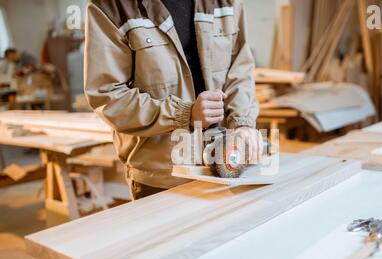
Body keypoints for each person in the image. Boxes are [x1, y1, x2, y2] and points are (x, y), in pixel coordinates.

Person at [85, 0, 262, 200]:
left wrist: (242, 122)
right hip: (162, 176)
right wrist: (184, 114)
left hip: (227, 167)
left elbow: (240, 69)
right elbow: (108, 96)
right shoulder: (113, 7)